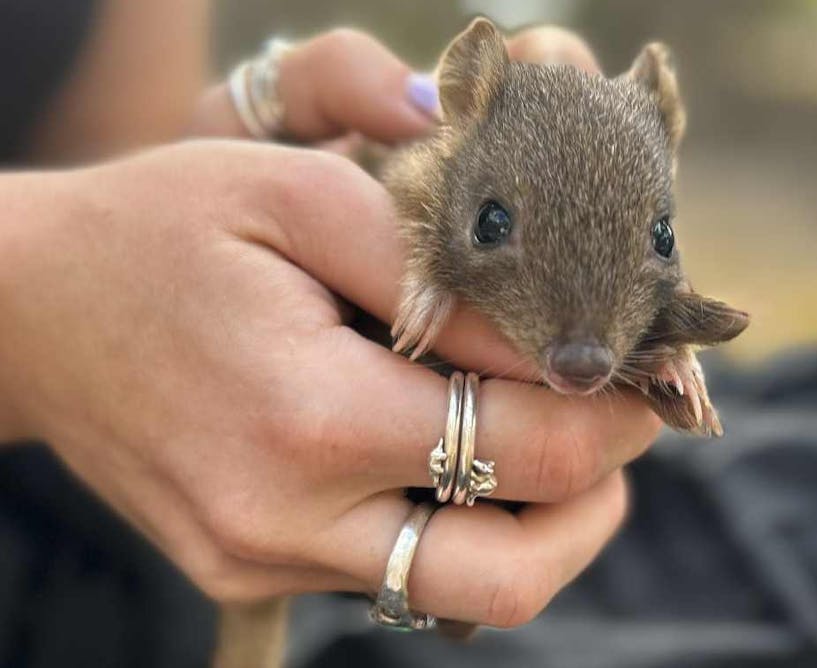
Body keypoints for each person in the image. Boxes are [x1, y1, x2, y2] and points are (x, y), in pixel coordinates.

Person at [0, 0, 658, 658]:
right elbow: (89, 251)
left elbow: (106, 157)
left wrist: (243, 128)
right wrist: (39, 300)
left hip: (259, 462)